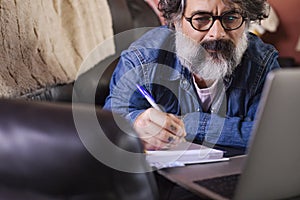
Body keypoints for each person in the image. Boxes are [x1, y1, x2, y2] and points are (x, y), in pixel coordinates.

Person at [103, 0, 280, 152]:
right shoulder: (142, 58)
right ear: (176, 21)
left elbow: (276, 134)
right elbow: (110, 122)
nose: (217, 34)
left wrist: (191, 124)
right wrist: (137, 124)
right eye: (201, 19)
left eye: (231, 18)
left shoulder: (262, 62)